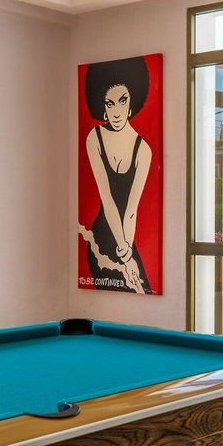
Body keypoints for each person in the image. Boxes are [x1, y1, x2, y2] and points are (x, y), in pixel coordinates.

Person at [83, 57, 152, 293]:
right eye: (110, 104)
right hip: (101, 240)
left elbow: (132, 209)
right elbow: (107, 199)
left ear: (132, 102)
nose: (116, 111)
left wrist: (127, 249)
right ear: (102, 107)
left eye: (122, 101)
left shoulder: (143, 150)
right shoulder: (94, 138)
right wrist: (125, 253)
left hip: (125, 239)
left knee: (143, 291)